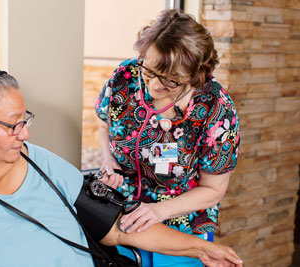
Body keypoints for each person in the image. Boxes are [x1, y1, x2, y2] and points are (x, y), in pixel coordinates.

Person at [0, 65, 243, 267]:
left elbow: (118, 228)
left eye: (24, 120)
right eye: (12, 126)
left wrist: (200, 249)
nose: (25, 134)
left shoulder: (39, 162)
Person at [95, 9, 240, 266]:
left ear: (196, 73)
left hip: (180, 231)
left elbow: (213, 189)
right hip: (121, 215)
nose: (153, 86)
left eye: (170, 80)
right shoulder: (125, 77)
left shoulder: (215, 107)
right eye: (149, 72)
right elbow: (104, 126)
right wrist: (109, 161)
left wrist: (157, 211)